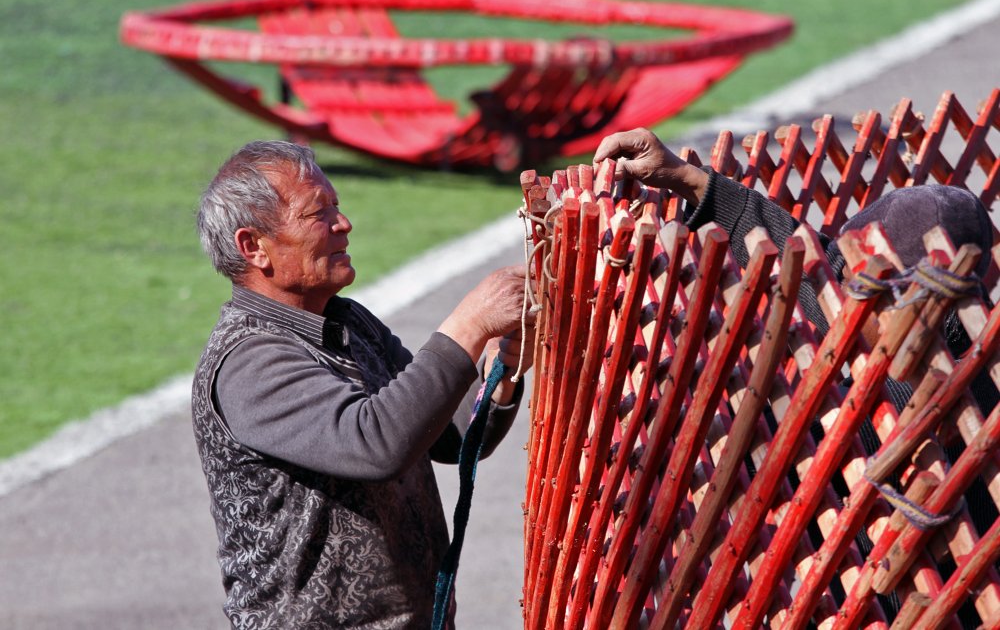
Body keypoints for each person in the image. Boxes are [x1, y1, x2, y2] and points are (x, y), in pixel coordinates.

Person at [594, 127, 997, 625]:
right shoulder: (969, 343)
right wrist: (691, 180)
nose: (845, 286)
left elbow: (818, 278)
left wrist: (692, 181)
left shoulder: (899, 382)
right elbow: (818, 270)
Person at [191, 140, 531, 629]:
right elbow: (376, 445)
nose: (342, 223)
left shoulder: (350, 323)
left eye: (337, 206)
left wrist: (500, 364)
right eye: (317, 213)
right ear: (254, 247)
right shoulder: (249, 360)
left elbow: (444, 436)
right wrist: (470, 325)